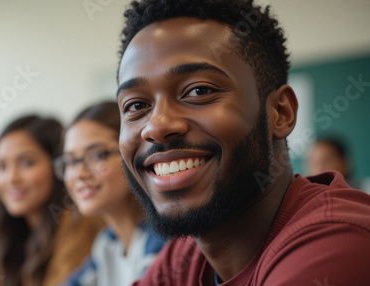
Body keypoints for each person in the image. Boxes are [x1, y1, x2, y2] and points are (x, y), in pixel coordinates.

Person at [115, 0, 370, 285]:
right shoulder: (186, 255)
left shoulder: (339, 242)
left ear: (280, 113)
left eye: (199, 90)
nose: (157, 126)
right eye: (136, 105)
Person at [0, 115, 103, 286]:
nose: (11, 178)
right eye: (1, 166)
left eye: (26, 163)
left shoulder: (77, 221)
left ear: (59, 166)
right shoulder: (17, 231)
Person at [55, 102, 166, 286]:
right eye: (71, 162)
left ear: (133, 153)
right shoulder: (108, 244)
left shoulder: (163, 238)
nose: (80, 173)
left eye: (97, 156)